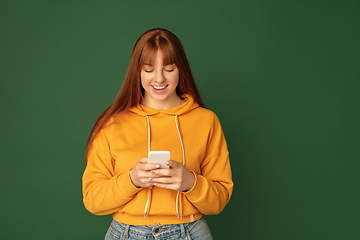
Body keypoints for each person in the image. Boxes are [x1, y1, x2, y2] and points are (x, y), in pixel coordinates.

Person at [82, 28, 233, 240]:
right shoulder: (111, 123)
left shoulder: (207, 121)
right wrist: (132, 180)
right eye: (149, 69)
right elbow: (93, 200)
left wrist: (190, 182)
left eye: (169, 69)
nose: (159, 79)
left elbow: (219, 200)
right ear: (137, 71)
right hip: (125, 233)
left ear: (181, 70)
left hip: (190, 232)